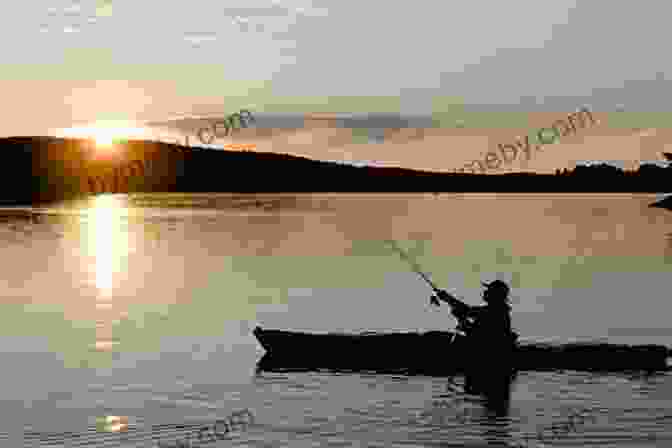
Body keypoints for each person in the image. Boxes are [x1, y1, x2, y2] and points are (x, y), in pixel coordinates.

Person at [430, 280, 517, 348]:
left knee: (436, 337)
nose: (485, 292)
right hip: (483, 347)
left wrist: (447, 298)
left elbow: (467, 311)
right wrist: (460, 317)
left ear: (495, 294)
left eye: (489, 290)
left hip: (485, 350)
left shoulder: (495, 311)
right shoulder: (498, 310)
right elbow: (475, 330)